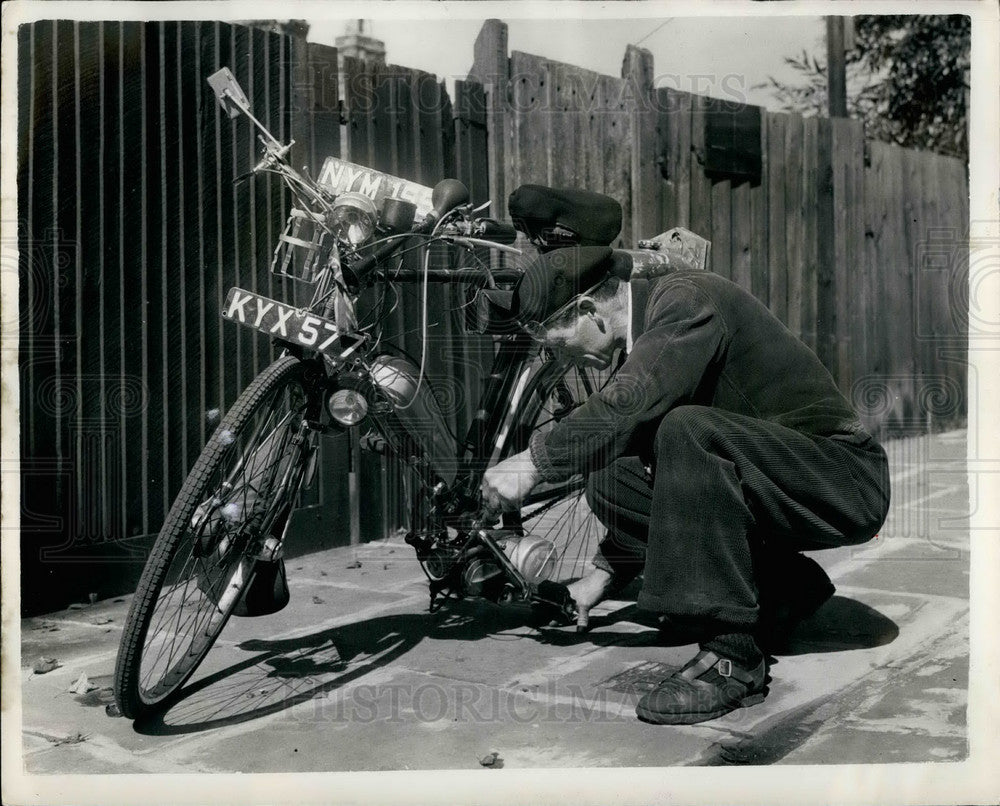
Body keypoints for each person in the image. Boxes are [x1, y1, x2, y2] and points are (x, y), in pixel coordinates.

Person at [480, 245, 891, 725]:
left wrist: (533, 462)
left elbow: (626, 404)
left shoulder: (686, 301)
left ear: (588, 312)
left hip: (844, 477)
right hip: (776, 477)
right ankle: (780, 587)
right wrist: (596, 582)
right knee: (613, 473)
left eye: (557, 345)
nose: (560, 359)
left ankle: (733, 658)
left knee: (687, 430)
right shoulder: (654, 328)